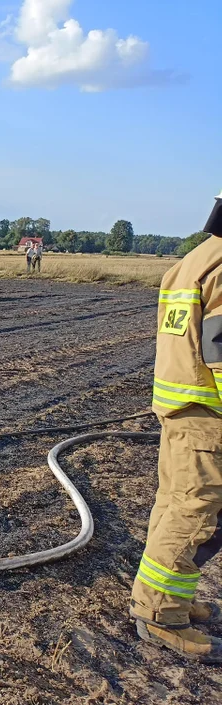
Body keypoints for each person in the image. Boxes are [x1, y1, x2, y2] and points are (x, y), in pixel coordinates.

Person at [131, 189, 222, 663]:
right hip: (209, 416)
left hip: (182, 408)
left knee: (175, 506)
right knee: (197, 512)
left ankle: (167, 596)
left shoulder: (194, 259)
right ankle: (161, 616)